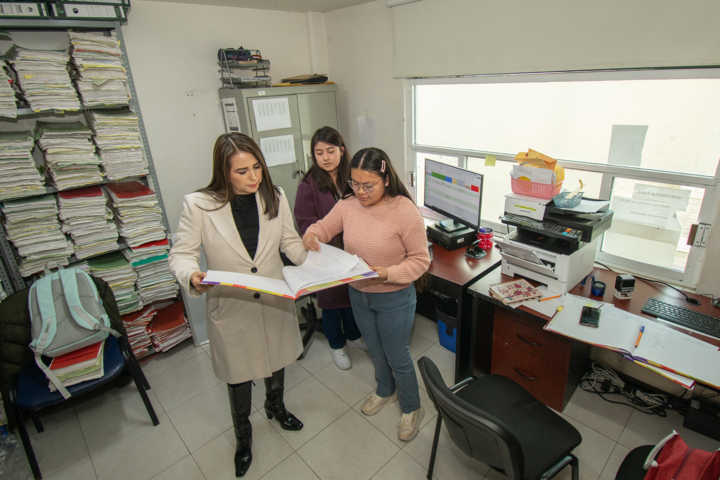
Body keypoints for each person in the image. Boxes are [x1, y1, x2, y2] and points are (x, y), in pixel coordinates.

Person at [169, 133, 307, 478]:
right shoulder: (199, 205)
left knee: (277, 360)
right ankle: (243, 438)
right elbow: (181, 254)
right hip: (233, 306)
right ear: (224, 172)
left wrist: (313, 256)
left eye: (257, 167)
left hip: (273, 299)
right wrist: (192, 275)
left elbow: (289, 241)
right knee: (238, 375)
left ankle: (276, 407)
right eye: (242, 171)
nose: (254, 177)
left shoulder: (275, 195)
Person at [302, 147, 430, 442]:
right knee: (373, 347)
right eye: (355, 184)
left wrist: (387, 273)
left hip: (394, 296)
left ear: (385, 179)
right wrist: (312, 234)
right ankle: (385, 389)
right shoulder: (348, 205)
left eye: (367, 185)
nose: (360, 192)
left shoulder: (404, 210)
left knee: (397, 354)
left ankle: (411, 407)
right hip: (359, 293)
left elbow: (420, 260)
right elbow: (323, 227)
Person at [294, 126, 364, 370]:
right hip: (326, 252)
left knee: (352, 295)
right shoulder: (308, 184)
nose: (325, 157)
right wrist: (320, 237)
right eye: (319, 153)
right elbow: (304, 221)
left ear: (342, 150)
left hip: (353, 248)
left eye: (330, 151)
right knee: (332, 301)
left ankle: (354, 335)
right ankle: (337, 345)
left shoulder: (353, 176)